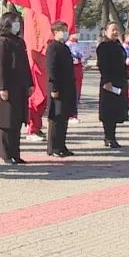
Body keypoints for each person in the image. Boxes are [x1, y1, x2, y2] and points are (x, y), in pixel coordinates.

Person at [0, 10, 32, 165]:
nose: (17, 24)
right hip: (7, 85)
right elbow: (1, 66)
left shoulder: (19, 41)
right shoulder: (3, 42)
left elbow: (25, 65)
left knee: (17, 120)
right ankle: (6, 154)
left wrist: (30, 83)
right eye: (14, 21)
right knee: (7, 121)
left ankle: (16, 153)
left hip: (20, 85)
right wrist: (2, 87)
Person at [45, 21, 76, 158]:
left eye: (66, 29)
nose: (65, 32)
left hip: (67, 87)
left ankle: (61, 145)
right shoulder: (53, 48)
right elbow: (51, 69)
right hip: (57, 87)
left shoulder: (64, 47)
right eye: (62, 30)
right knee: (56, 118)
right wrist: (54, 87)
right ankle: (53, 147)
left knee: (64, 117)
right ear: (55, 32)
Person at [96, 22, 129, 148]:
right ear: (106, 32)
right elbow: (103, 66)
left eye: (117, 30)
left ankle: (112, 136)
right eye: (113, 30)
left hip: (119, 81)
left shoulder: (118, 45)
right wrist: (107, 81)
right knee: (108, 111)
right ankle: (108, 137)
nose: (115, 32)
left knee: (116, 110)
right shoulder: (103, 46)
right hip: (109, 82)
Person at [66, 31, 84, 124]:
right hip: (72, 68)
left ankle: (74, 113)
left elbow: (82, 55)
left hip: (79, 68)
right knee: (73, 91)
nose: (77, 35)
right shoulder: (67, 44)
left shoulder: (77, 44)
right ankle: (71, 115)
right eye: (74, 33)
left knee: (78, 90)